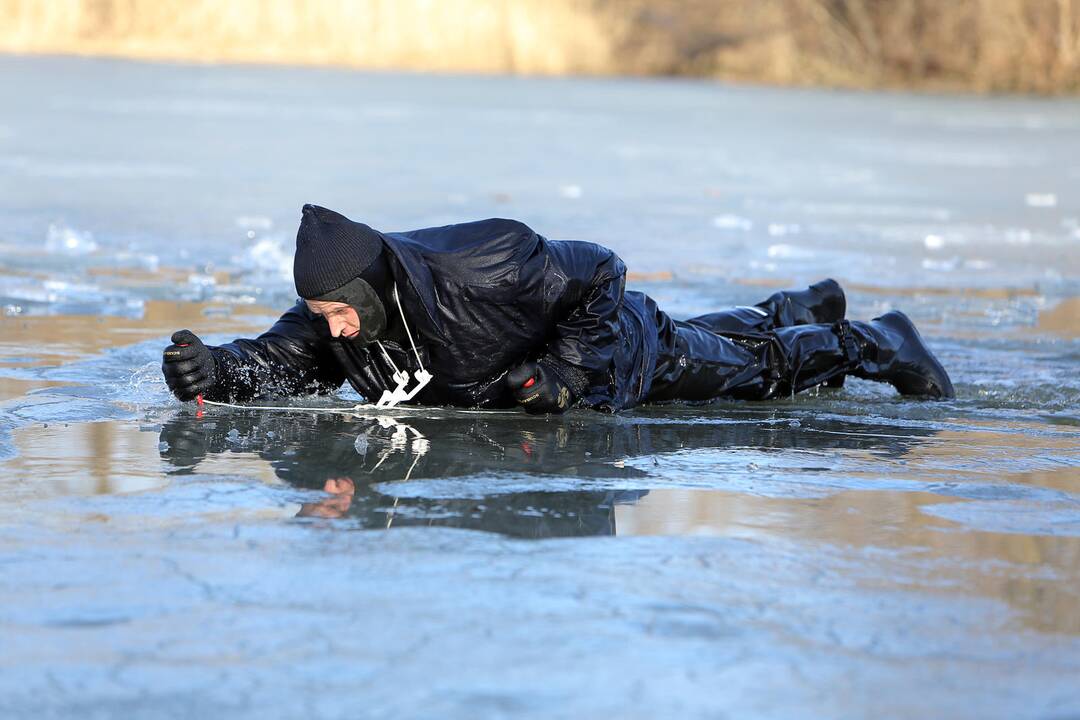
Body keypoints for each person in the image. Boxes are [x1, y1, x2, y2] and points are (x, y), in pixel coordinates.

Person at [162, 204, 954, 414]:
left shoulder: (489, 260)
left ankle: (874, 342)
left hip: (619, 355)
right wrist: (215, 371)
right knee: (710, 335)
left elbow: (602, 273)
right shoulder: (338, 323)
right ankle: (795, 304)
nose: (329, 327)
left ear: (372, 285)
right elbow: (276, 364)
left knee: (755, 372)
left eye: (336, 309)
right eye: (317, 312)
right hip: (606, 345)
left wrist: (567, 374)